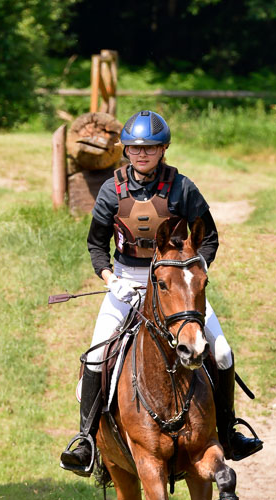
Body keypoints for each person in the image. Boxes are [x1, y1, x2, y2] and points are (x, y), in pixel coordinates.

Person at [60, 110, 262, 476]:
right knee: (94, 357)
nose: (142, 155)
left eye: (150, 149)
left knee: (222, 351)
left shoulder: (182, 187)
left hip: (175, 284)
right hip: (126, 281)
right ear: (126, 151)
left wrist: (190, 274)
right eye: (136, 149)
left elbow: (210, 237)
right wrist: (110, 277)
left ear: (163, 150)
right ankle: (86, 440)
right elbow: (95, 245)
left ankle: (228, 432)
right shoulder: (111, 190)